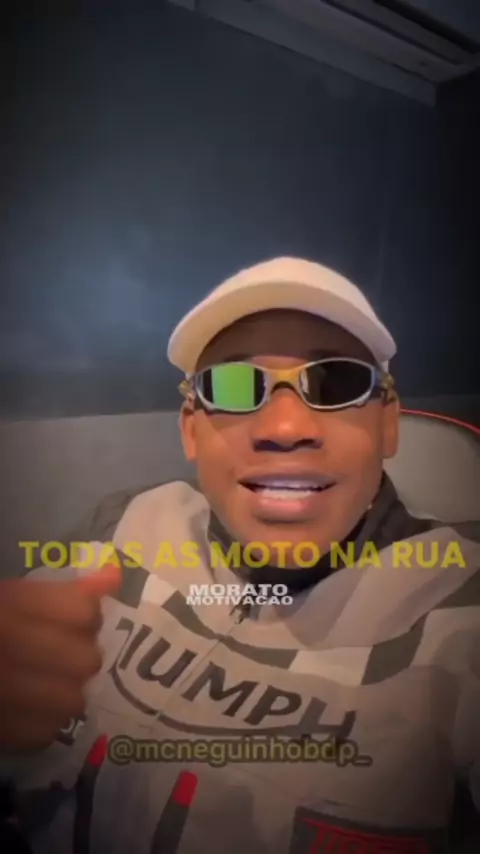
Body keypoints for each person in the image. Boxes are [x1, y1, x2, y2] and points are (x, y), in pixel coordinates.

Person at [0, 257, 479, 854]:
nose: (285, 427)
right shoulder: (122, 526)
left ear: (388, 424)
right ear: (190, 430)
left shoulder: (462, 609)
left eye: (336, 383)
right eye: (232, 387)